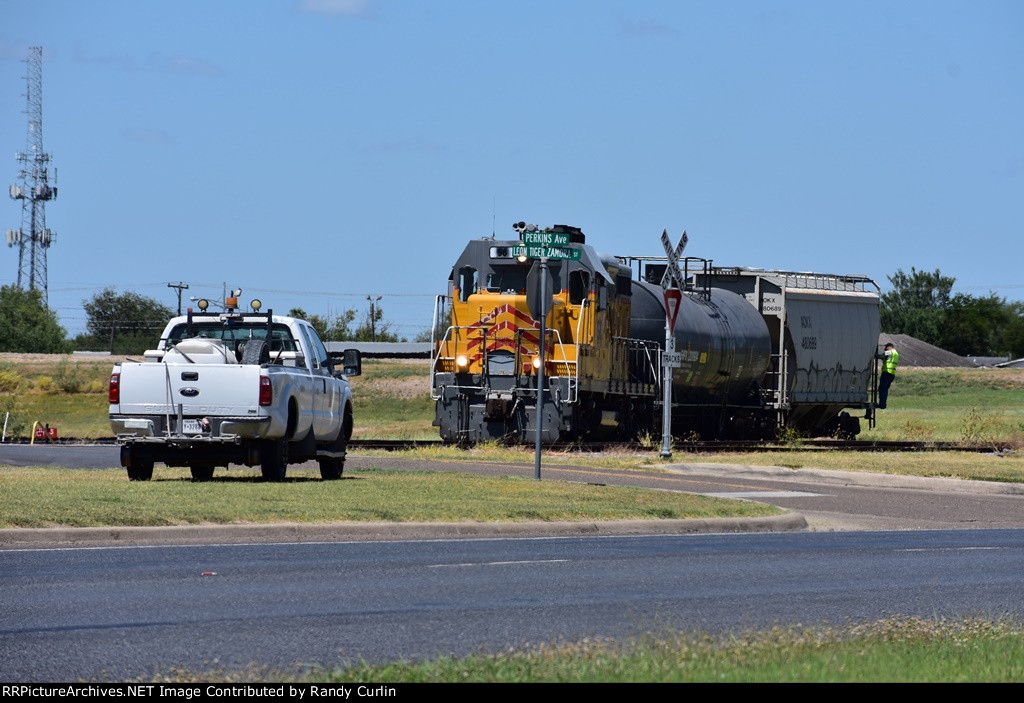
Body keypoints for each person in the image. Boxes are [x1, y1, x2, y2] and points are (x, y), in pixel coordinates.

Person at [876, 342, 899, 409]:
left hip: (886, 373)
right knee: (885, 389)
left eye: (885, 348)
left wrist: (874, 354)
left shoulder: (890, 352)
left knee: (882, 389)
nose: (885, 350)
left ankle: (882, 404)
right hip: (891, 374)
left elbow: (880, 356)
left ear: (889, 347)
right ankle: (883, 403)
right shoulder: (896, 353)